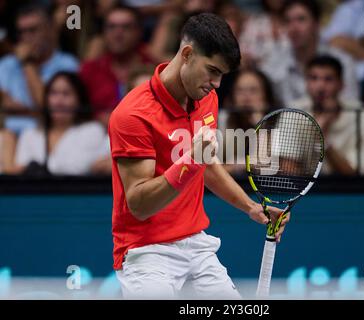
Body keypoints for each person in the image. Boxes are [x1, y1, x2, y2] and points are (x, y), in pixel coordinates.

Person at [108, 13, 289, 299]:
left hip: (196, 246)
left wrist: (250, 207)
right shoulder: (132, 115)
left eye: (222, 75)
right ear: (188, 54)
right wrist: (190, 161)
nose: (217, 84)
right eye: (212, 71)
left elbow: (206, 166)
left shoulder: (207, 99)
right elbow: (140, 204)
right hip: (146, 252)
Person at [0, 3, 79, 135]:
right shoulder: (6, 64)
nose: (26, 38)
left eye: (33, 30)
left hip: (47, 137)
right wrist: (34, 112)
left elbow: (47, 109)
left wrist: (27, 63)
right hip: (6, 137)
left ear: (50, 30)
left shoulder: (68, 65)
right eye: (22, 32)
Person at [291, 55, 364, 175]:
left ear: (341, 84)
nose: (320, 86)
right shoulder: (294, 112)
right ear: (306, 83)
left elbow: (354, 175)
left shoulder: (362, 117)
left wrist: (324, 141)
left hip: (348, 191)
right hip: (307, 190)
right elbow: (287, 168)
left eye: (328, 79)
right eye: (314, 78)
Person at [261, 0, 359, 105]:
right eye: (288, 21)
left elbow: (352, 106)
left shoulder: (343, 61)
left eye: (301, 19)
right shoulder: (274, 63)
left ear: (317, 24)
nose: (294, 28)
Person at [14, 72, 107, 176]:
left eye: (66, 94)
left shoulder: (92, 130)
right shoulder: (29, 134)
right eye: (53, 93)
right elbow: (20, 172)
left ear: (79, 100)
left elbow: (81, 167)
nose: (59, 101)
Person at [79, 5, 154, 128]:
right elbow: (75, 112)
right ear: (104, 32)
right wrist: (96, 118)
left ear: (139, 32)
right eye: (111, 27)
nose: (118, 34)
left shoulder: (155, 69)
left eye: (126, 27)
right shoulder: (89, 70)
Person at [219, 68, 277, 176]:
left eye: (253, 90)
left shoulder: (280, 122)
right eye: (240, 90)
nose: (246, 97)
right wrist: (242, 166)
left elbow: (262, 164)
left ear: (266, 97)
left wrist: (260, 125)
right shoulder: (223, 120)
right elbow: (210, 170)